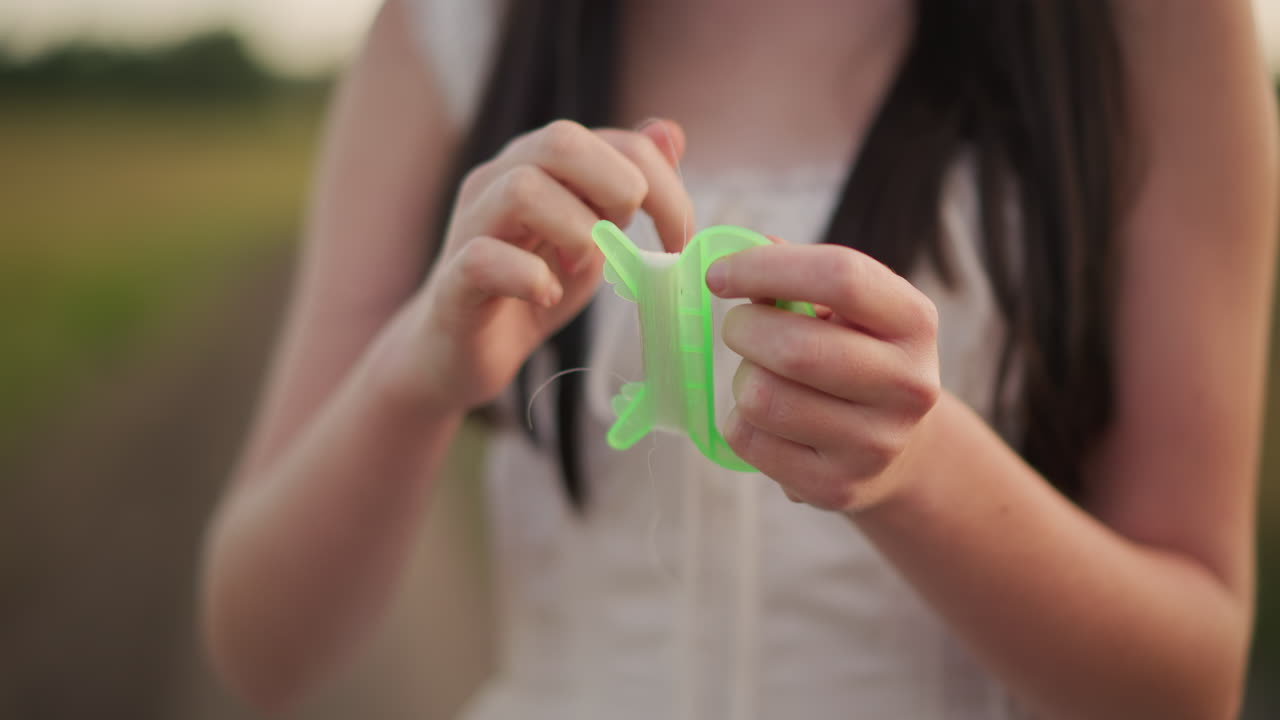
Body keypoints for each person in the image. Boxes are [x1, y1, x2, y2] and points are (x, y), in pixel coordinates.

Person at [199, 0, 1279, 717]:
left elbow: (1184, 687)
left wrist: (917, 472)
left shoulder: (1148, 26)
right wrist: (417, 375)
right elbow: (260, 651)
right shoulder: (453, 26)